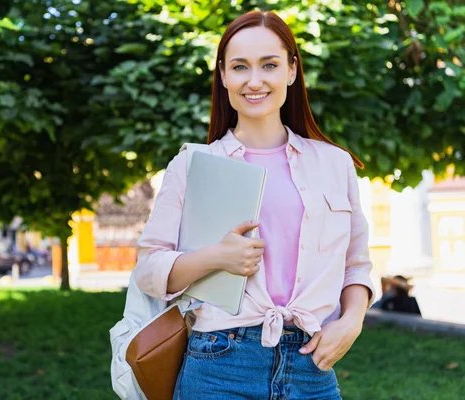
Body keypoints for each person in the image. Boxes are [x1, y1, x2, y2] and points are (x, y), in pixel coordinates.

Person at [133, 10, 376, 400]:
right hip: (220, 364)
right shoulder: (193, 165)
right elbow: (148, 270)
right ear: (224, 75)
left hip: (312, 366)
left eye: (269, 64)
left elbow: (357, 264)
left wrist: (352, 322)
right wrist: (216, 257)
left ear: (292, 71)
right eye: (240, 67)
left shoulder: (334, 163)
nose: (254, 80)